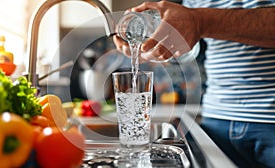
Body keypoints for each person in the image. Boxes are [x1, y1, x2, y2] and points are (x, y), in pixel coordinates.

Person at [113, 0, 275, 167]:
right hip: (216, 118)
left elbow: (201, 22)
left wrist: (200, 21)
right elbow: (190, 43)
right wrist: (155, 41)